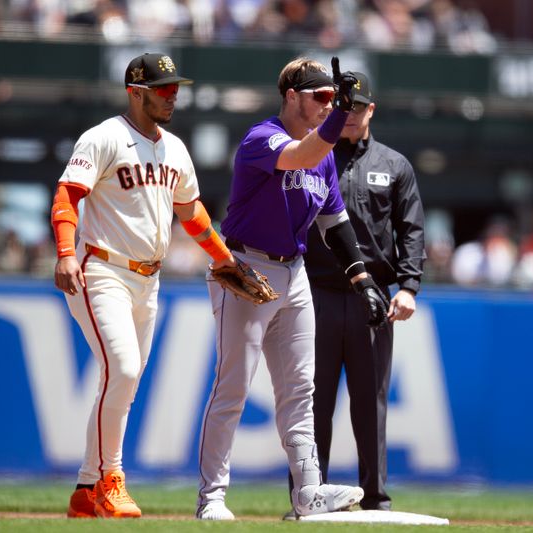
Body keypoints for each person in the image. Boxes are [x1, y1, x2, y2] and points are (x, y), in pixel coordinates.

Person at [196, 57, 390, 521]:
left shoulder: (321, 157)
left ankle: (308, 492)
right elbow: (300, 157)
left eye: (332, 97)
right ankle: (212, 498)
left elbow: (335, 224)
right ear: (291, 97)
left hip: (294, 271)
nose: (328, 105)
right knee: (234, 387)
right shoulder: (262, 138)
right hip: (245, 267)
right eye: (320, 97)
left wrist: (361, 278)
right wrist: (342, 114)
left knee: (301, 391)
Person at [52, 52, 237, 519]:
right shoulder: (104, 137)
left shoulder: (175, 147)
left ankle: (85, 487)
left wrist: (225, 259)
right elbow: (67, 195)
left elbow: (191, 213)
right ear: (135, 92)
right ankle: (112, 478)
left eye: (174, 87)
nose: (172, 95)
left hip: (148, 279)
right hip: (102, 271)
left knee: (121, 382)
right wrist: (67, 253)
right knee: (125, 370)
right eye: (162, 88)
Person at [297, 71, 425, 512]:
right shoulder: (311, 156)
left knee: (370, 402)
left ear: (372, 109)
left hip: (372, 298)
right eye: (342, 106)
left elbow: (411, 231)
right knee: (313, 401)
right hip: (316, 293)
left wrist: (408, 287)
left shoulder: (394, 165)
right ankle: (310, 495)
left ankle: (376, 498)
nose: (349, 114)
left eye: (358, 106)